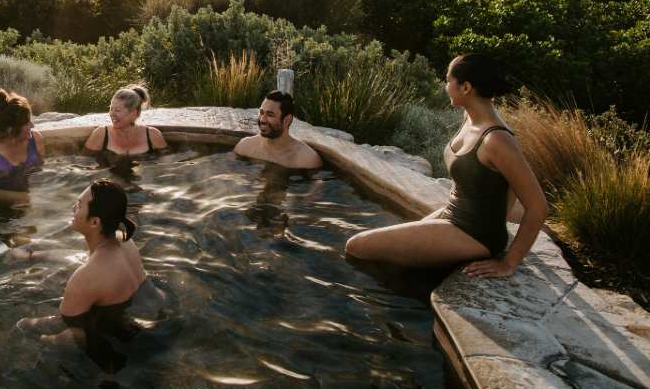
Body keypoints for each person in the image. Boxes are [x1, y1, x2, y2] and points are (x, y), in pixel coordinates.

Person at [345, 54, 549, 277]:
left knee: (357, 246)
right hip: (453, 215)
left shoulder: (497, 140)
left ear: (466, 87)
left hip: (473, 234)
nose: (444, 86)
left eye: (448, 80)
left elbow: (538, 206)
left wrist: (509, 263)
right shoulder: (471, 117)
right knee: (390, 256)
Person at [20, 179, 161, 358]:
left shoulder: (85, 277)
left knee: (46, 334)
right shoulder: (125, 240)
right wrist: (36, 255)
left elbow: (63, 322)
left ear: (95, 222)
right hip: (154, 314)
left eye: (79, 205)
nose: (73, 208)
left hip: (127, 342)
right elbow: (86, 258)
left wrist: (26, 324)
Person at [84, 85, 168, 170]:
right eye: (111, 109)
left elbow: (169, 164)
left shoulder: (152, 135)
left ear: (133, 113)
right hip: (108, 180)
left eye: (117, 110)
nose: (112, 114)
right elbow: (82, 163)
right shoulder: (101, 134)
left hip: (145, 181)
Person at [233, 91, 322, 170]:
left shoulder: (306, 159)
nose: (262, 120)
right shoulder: (245, 147)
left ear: (287, 120)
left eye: (270, 115)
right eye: (261, 113)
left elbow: (315, 187)